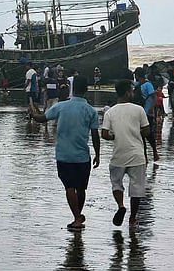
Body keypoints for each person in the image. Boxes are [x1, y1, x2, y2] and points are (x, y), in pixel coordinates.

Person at [28, 76, 99, 231]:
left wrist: (33, 114)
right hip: (82, 156)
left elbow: (43, 119)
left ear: (72, 90)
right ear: (86, 90)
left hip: (64, 155)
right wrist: (98, 155)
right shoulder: (91, 111)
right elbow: (95, 135)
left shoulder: (61, 106)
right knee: (81, 188)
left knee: (69, 187)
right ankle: (78, 215)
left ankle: (76, 218)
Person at [101, 79, 155, 227]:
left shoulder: (110, 112)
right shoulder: (138, 110)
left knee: (116, 183)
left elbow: (104, 134)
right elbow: (146, 131)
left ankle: (120, 206)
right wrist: (135, 132)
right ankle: (132, 218)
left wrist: (116, 136)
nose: (133, 92)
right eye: (131, 90)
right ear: (127, 92)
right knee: (137, 187)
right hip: (137, 154)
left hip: (119, 154)